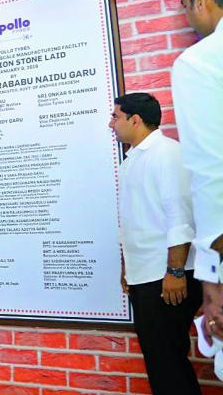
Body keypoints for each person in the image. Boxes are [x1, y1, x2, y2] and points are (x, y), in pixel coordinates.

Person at [110, 93, 202, 394]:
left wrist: (176, 273)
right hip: (145, 276)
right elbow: (137, 219)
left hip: (165, 278)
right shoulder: (133, 159)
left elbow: (180, 218)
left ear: (135, 120)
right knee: (160, 360)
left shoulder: (166, 153)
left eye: (116, 117)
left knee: (167, 361)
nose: (111, 124)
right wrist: (128, 266)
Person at [172, 0, 223, 344]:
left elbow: (211, 173)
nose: (189, 15)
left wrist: (211, 276)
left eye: (187, 5)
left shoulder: (201, 61)